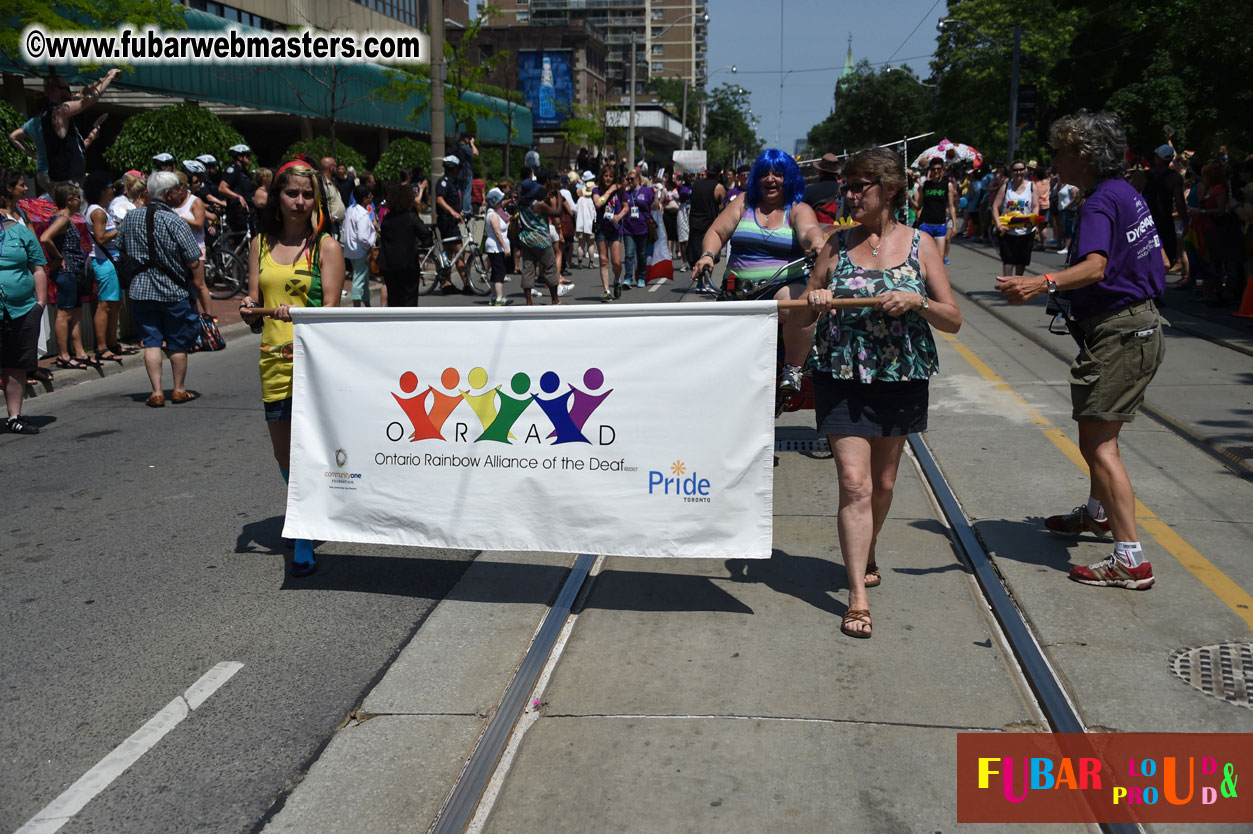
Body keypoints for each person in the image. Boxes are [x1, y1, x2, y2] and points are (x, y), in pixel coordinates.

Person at [996, 110, 1165, 591]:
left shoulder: (1097, 204)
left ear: (1084, 157)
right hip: (1140, 326)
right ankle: (1097, 512)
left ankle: (1131, 560)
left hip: (1119, 334)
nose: (1054, 162)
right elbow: (1159, 258)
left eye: (1061, 153)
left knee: (1098, 445)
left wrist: (1040, 283)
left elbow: (1094, 267)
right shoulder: (1126, 193)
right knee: (1101, 434)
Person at [799, 147, 963, 637]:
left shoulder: (920, 245)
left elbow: (953, 319)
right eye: (846, 187)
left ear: (889, 190)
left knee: (884, 483)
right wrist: (815, 300)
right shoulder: (835, 244)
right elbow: (803, 312)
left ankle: (868, 548)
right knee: (855, 483)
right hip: (842, 373)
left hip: (899, 376)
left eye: (859, 187)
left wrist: (918, 301)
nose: (849, 196)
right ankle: (857, 597)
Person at [239, 157, 344, 577]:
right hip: (273, 360)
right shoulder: (259, 244)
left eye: (306, 194)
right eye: (291, 193)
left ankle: (303, 532)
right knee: (283, 454)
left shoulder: (326, 247)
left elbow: (333, 312)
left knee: (306, 452)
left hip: (313, 364)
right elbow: (253, 303)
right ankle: (309, 510)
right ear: (277, 198)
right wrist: (250, 308)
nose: (299, 201)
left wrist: (299, 313)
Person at [694, 148, 826, 393]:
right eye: (765, 174)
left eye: (778, 174)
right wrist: (707, 255)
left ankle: (792, 369)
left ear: (789, 178)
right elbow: (717, 232)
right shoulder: (743, 202)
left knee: (797, 305)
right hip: (737, 290)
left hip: (781, 287)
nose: (770, 179)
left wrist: (817, 243)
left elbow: (809, 231)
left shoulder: (797, 208)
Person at [116, 170, 213, 407]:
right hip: (174, 291)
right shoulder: (175, 221)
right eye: (178, 189)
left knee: (151, 342)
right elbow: (193, 259)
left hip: (141, 290)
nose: (181, 193)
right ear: (168, 194)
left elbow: (121, 248)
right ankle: (179, 390)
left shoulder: (131, 217)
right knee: (177, 342)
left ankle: (157, 392)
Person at [0, 172, 49, 434]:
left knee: (15, 364)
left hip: (20, 309)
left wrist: (39, 303)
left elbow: (38, 267)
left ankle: (14, 416)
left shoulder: (20, 231)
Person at [39, 183, 98, 372]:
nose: (80, 201)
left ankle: (79, 352)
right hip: (67, 272)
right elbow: (45, 238)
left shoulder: (67, 218)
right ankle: (63, 355)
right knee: (65, 313)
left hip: (74, 272)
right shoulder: (62, 218)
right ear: (68, 200)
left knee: (76, 312)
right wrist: (58, 257)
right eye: (77, 197)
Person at [36, 69, 120, 186]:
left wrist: (103, 79)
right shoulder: (60, 110)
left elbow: (83, 93)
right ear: (56, 90)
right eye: (67, 88)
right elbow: (89, 100)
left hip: (67, 178)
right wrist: (110, 78)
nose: (70, 92)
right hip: (68, 181)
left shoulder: (50, 111)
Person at [83, 171, 129, 364]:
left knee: (114, 304)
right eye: (110, 186)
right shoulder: (98, 212)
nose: (113, 189)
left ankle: (112, 342)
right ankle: (102, 347)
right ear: (101, 190)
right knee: (105, 305)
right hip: (104, 262)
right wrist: (119, 228)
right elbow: (101, 238)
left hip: (110, 261)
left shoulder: (101, 210)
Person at [516, 175, 564, 306]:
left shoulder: (522, 204)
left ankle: (529, 302)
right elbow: (556, 212)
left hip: (526, 239)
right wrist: (559, 198)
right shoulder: (538, 204)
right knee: (550, 268)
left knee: (528, 269)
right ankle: (555, 300)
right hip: (541, 239)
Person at [378, 181, 426, 307]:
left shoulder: (387, 218)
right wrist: (419, 245)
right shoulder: (411, 217)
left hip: (389, 264)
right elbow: (425, 234)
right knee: (409, 298)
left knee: (394, 299)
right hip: (407, 263)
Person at [992, 160, 1039, 275]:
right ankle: (1007, 283)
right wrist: (999, 225)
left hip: (1026, 231)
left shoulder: (1031, 187)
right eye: (1016, 170)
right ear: (1011, 172)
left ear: (1025, 170)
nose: (1018, 172)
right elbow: (995, 207)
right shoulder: (1006, 187)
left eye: (1021, 170)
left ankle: (1018, 283)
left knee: (1021, 262)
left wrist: (1033, 221)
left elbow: (1035, 206)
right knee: (1008, 261)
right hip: (1008, 231)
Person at [686, 163, 726, 290]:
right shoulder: (718, 187)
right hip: (709, 225)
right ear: (719, 174)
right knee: (709, 254)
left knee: (697, 254)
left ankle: (700, 283)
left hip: (695, 223)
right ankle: (707, 283)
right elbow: (723, 205)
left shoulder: (696, 184)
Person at [912, 158, 957, 264]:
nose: (936, 171)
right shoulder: (926, 185)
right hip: (925, 224)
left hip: (940, 225)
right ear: (930, 170)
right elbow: (918, 206)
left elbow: (951, 206)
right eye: (933, 169)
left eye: (938, 169)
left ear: (942, 169)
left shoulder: (947, 185)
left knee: (939, 259)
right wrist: (909, 198)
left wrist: (954, 225)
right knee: (923, 256)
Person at [592, 166, 627, 302]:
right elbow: (598, 204)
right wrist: (610, 190)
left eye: (611, 176)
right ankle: (606, 291)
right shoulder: (597, 190)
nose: (608, 178)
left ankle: (617, 280)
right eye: (606, 176)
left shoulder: (620, 191)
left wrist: (619, 216)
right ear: (602, 177)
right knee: (603, 260)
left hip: (615, 229)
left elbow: (626, 207)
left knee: (616, 262)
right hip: (602, 229)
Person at [341, 184, 377, 307]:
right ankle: (356, 308)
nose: (372, 197)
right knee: (359, 279)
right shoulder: (362, 215)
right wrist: (371, 246)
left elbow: (344, 228)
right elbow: (363, 237)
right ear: (365, 199)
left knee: (363, 278)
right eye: (370, 195)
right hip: (361, 251)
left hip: (351, 250)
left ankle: (367, 306)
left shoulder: (350, 210)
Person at [619, 167, 654, 289]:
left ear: (638, 178)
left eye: (632, 179)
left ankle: (641, 277)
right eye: (628, 179)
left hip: (642, 227)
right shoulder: (626, 193)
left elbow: (653, 205)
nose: (629, 181)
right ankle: (628, 278)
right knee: (629, 254)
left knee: (641, 254)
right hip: (628, 228)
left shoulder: (646, 191)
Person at [218, 144, 254, 241]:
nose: (250, 158)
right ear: (239, 157)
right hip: (237, 211)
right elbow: (222, 188)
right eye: (247, 155)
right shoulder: (233, 169)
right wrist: (238, 197)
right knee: (241, 240)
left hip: (247, 211)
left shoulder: (244, 172)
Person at [483, 187, 511, 305]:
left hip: (494, 247)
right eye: (500, 201)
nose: (501, 203)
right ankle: (499, 297)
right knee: (500, 272)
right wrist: (505, 247)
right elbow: (497, 233)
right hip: (496, 247)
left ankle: (494, 297)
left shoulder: (492, 214)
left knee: (495, 272)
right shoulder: (493, 215)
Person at [803, 153, 844, 226]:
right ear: (836, 173)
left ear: (820, 172)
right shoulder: (844, 189)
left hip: (818, 230)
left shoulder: (809, 191)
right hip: (841, 229)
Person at [574, 172, 597, 269]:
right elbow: (595, 213)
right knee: (591, 244)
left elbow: (576, 210)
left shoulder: (580, 200)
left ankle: (579, 263)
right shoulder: (593, 201)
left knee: (581, 244)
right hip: (590, 225)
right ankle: (591, 263)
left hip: (580, 225)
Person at [455, 132, 478, 214]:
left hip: (457, 172)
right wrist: (472, 144)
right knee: (467, 192)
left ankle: (459, 209)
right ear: (466, 139)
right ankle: (466, 211)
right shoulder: (464, 147)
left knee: (459, 192)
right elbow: (475, 153)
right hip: (466, 172)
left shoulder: (456, 147)